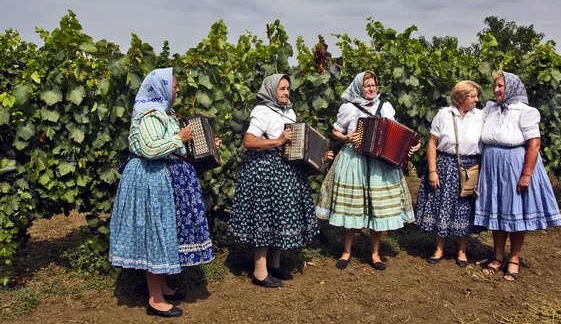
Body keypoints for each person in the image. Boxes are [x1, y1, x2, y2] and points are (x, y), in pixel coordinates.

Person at [110, 68, 218, 317]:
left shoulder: (165, 113)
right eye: (174, 85)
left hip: (161, 180)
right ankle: (155, 299)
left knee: (164, 234)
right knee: (155, 236)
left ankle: (164, 287)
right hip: (150, 181)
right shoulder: (149, 115)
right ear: (160, 87)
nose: (177, 88)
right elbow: (149, 148)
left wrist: (203, 145)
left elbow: (172, 145)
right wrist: (179, 137)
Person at [227, 74, 327, 288]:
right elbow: (249, 141)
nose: (286, 92)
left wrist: (319, 155)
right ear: (272, 90)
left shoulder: (289, 112)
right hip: (265, 171)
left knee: (279, 217)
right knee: (265, 218)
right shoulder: (262, 111)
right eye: (281, 88)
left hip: (284, 171)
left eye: (288, 88)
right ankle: (260, 272)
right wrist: (278, 140)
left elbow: (296, 145)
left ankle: (274, 264)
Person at [474, 71, 561, 281]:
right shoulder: (490, 109)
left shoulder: (525, 111)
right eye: (495, 86)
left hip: (514, 166)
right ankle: (497, 257)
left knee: (515, 213)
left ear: (512, 87)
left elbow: (534, 144)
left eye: (500, 86)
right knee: (496, 211)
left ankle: (513, 258)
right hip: (492, 166)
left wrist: (526, 175)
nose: (496, 90)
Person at [328, 71, 420, 271]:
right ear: (358, 87)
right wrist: (345, 138)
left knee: (377, 208)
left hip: (380, 163)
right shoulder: (349, 108)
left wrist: (410, 146)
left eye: (373, 85)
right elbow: (335, 130)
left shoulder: (385, 107)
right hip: (355, 161)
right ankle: (346, 252)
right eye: (366, 85)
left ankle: (375, 254)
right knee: (352, 206)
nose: (371, 89)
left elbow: (397, 131)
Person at [414, 80, 484, 267]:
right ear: (461, 98)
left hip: (470, 167)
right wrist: (432, 170)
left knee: (465, 208)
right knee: (442, 205)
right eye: (473, 96)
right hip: (445, 164)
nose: (477, 99)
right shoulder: (444, 115)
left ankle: (462, 251)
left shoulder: (481, 116)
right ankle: (439, 249)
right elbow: (432, 143)